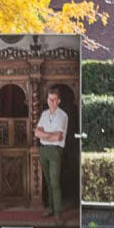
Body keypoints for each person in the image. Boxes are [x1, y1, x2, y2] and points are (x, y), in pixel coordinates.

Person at [34, 88, 69, 219]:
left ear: (58, 101)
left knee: (55, 182)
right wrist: (48, 135)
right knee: (48, 181)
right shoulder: (44, 114)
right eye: (49, 99)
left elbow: (58, 137)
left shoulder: (63, 115)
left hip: (55, 151)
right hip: (43, 150)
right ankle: (50, 208)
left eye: (54, 100)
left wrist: (44, 135)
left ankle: (58, 214)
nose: (52, 102)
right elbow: (37, 133)